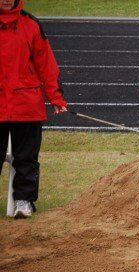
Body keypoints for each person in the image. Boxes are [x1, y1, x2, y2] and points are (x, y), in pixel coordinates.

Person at [0, 0, 67, 218]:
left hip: (26, 105)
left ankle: (23, 200)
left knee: (26, 157)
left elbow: (46, 63)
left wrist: (56, 97)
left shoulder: (31, 25)